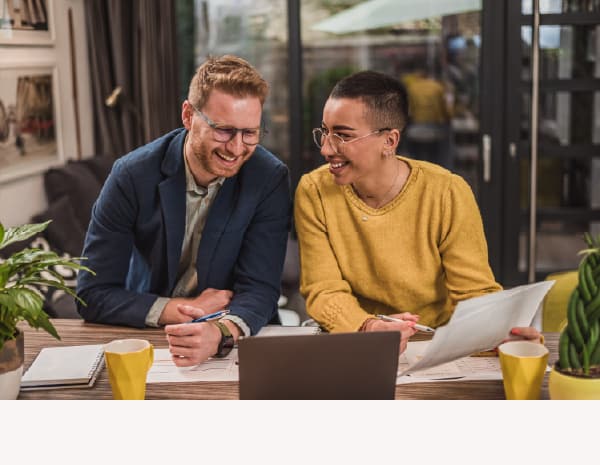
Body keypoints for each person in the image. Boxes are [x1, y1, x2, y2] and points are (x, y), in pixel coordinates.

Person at [294, 70, 540, 354]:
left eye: (342, 135)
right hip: (354, 339)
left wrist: (502, 332)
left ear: (389, 141)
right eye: (325, 132)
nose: (326, 148)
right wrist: (367, 327)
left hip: (436, 344)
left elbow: (473, 291)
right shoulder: (314, 190)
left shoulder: (447, 191)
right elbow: (323, 289)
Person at [77, 55, 292, 366]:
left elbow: (260, 288)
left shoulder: (269, 177)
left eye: (250, 133)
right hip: (149, 335)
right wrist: (182, 309)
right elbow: (92, 294)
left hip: (238, 334)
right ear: (189, 116)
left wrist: (220, 332)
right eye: (223, 130)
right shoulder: (131, 175)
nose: (236, 148)